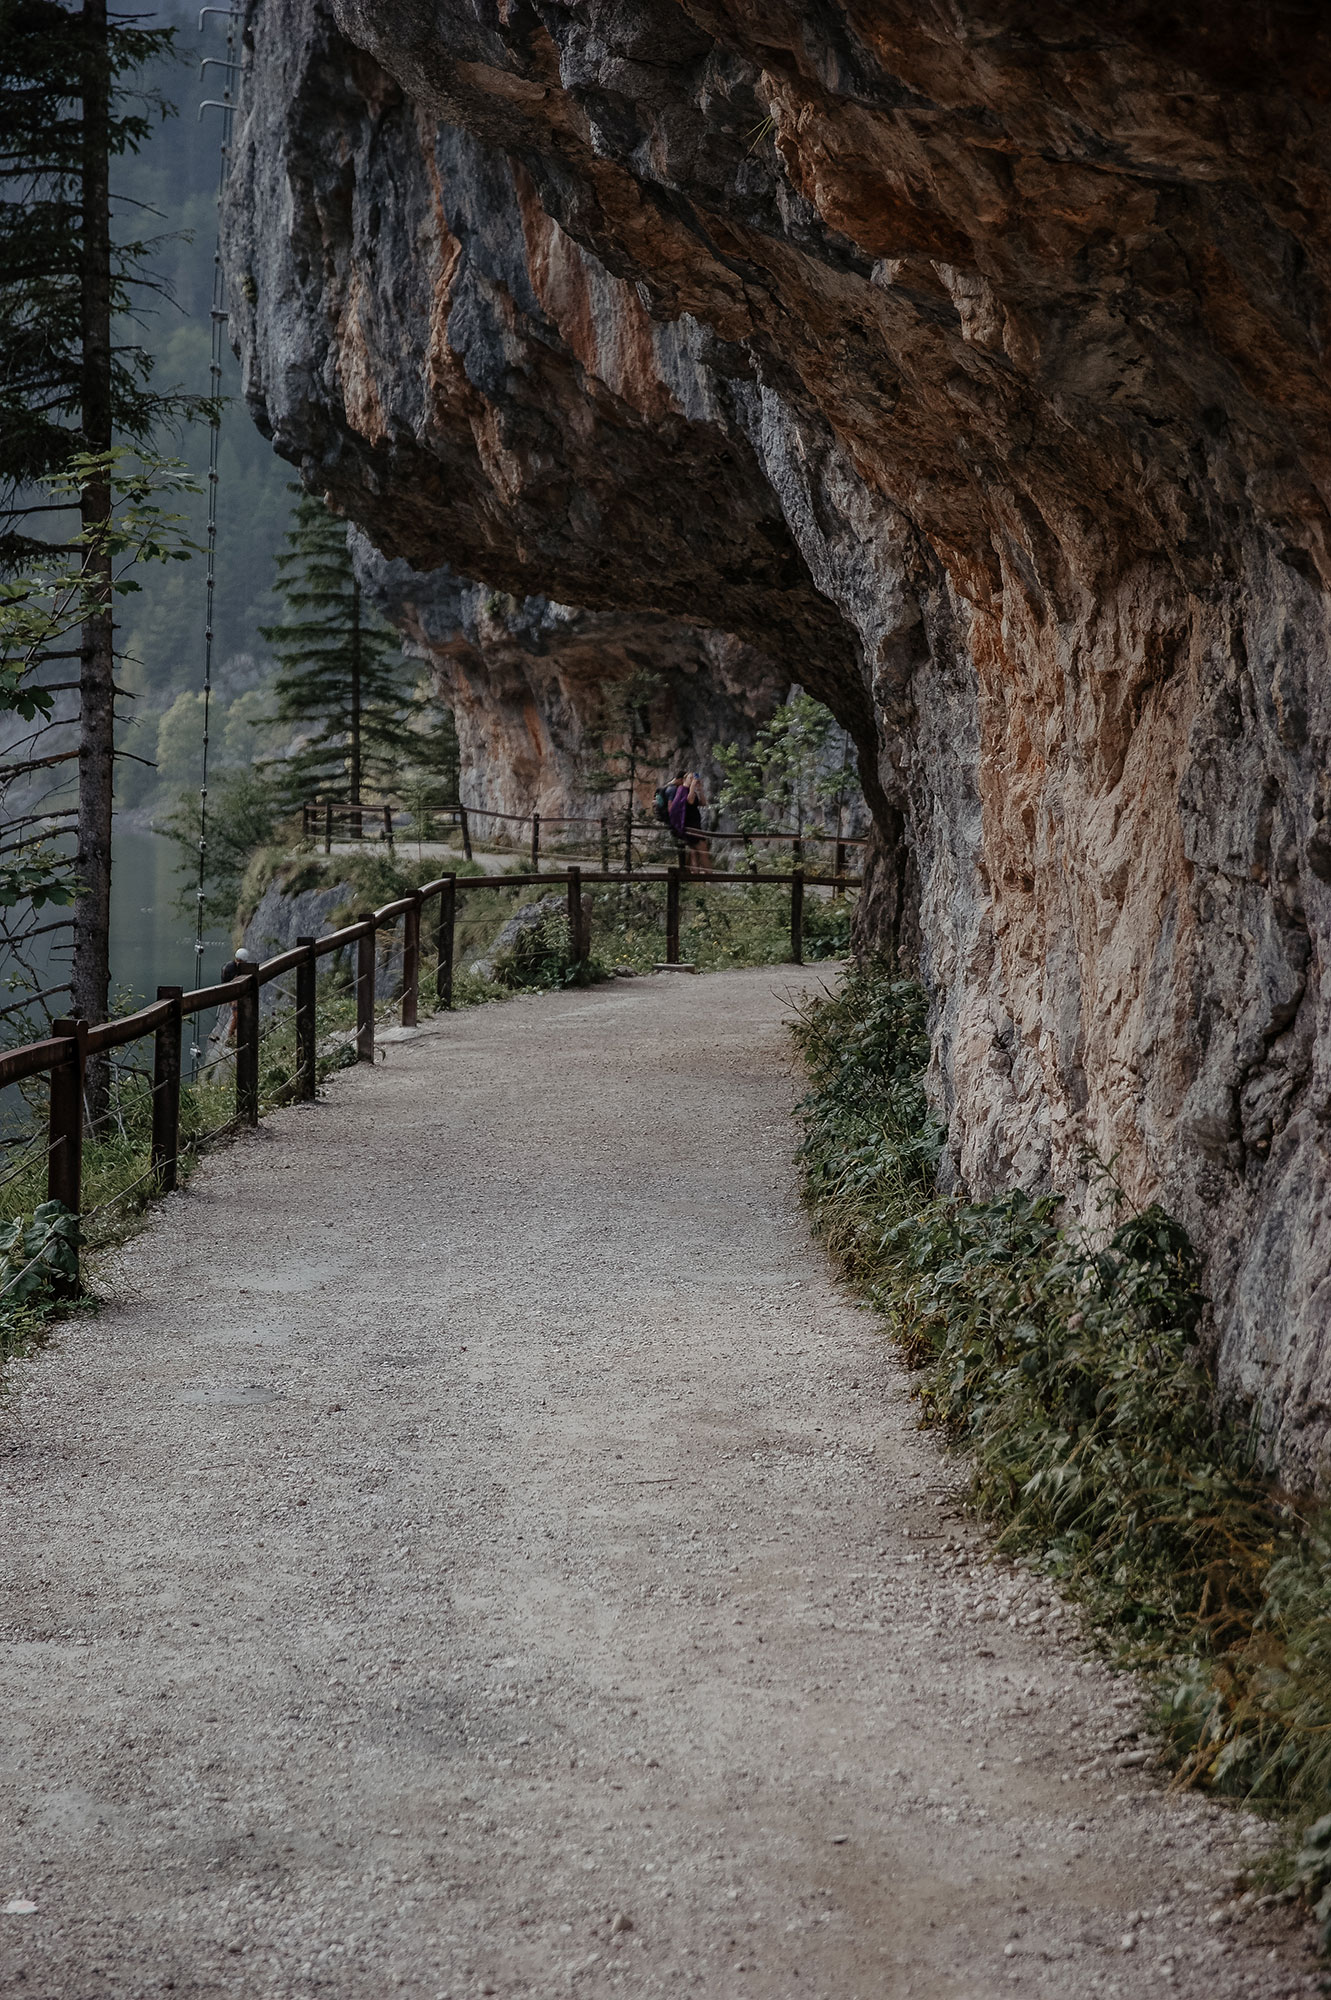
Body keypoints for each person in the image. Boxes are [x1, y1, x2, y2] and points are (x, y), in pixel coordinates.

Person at [680, 771, 710, 875]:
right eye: (690, 778)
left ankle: (695, 877)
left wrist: (700, 789)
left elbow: (703, 803)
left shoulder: (692, 791)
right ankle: (710, 875)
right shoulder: (683, 791)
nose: (693, 780)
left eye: (694, 778)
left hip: (696, 825)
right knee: (703, 850)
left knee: (694, 852)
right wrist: (693, 785)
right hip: (690, 825)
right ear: (684, 780)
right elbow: (690, 800)